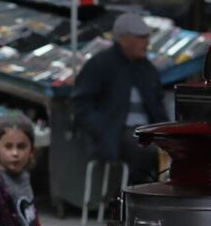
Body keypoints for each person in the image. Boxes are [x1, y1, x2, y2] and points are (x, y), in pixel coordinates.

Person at [70, 13, 166, 182]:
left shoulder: (147, 70)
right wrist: (102, 128)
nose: (146, 42)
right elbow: (81, 103)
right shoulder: (101, 64)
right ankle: (137, 195)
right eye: (141, 37)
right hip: (115, 133)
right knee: (144, 150)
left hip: (146, 131)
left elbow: (158, 106)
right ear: (125, 39)